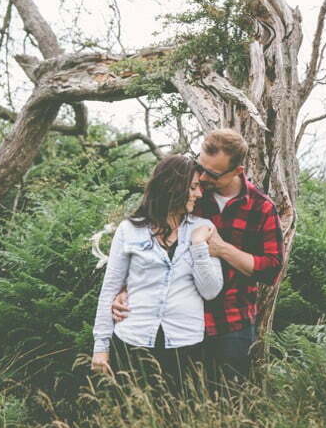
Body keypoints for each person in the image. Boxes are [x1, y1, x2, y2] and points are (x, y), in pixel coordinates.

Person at [112, 129, 284, 382]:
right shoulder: (190, 195)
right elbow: (152, 242)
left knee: (228, 395)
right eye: (200, 167)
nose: (202, 177)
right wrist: (127, 289)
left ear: (237, 171)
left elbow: (271, 269)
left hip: (230, 321)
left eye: (212, 174)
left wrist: (222, 249)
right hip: (180, 321)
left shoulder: (261, 207)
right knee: (177, 395)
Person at [91, 154, 224, 391]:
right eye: (193, 187)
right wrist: (101, 347)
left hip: (185, 344)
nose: (199, 194)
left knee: (182, 412)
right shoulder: (129, 230)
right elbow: (110, 289)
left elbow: (211, 290)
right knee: (131, 411)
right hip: (133, 339)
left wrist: (198, 246)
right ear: (173, 187)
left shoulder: (204, 229)